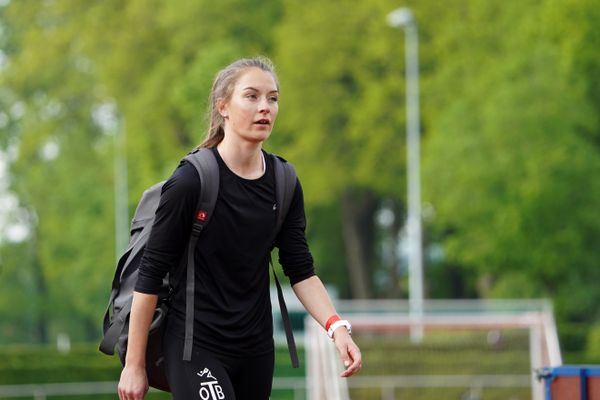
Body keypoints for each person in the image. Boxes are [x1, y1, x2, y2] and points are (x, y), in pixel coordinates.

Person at [117, 56, 362, 400]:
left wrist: (337, 328)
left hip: (256, 350)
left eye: (273, 98)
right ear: (224, 106)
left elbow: (301, 271)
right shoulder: (191, 181)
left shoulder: (284, 182)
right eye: (252, 96)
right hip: (194, 345)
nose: (265, 107)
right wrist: (134, 363)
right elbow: (151, 273)